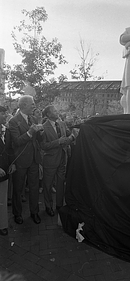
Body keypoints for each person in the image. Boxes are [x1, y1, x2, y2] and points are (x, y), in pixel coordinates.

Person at [9, 95, 43, 224]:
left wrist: (41, 132)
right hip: (21, 160)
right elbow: (16, 142)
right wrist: (30, 132)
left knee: (34, 188)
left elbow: (39, 139)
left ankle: (34, 212)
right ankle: (17, 213)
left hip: (34, 159)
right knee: (18, 188)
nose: (34, 106)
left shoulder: (34, 118)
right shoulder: (13, 121)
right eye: (32, 104)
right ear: (23, 106)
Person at [41, 105, 75, 216]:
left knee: (61, 184)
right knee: (48, 185)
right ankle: (48, 206)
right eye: (54, 111)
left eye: (57, 110)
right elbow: (43, 146)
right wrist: (58, 142)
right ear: (48, 114)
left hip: (62, 159)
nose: (57, 112)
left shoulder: (62, 123)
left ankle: (59, 205)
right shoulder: (43, 127)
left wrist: (71, 138)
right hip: (50, 161)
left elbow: (69, 137)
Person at [0, 106, 16, 236]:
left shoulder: (7, 131)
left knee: (2, 199)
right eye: (2, 113)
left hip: (5, 170)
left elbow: (10, 149)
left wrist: (13, 163)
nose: (5, 115)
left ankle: (2, 224)